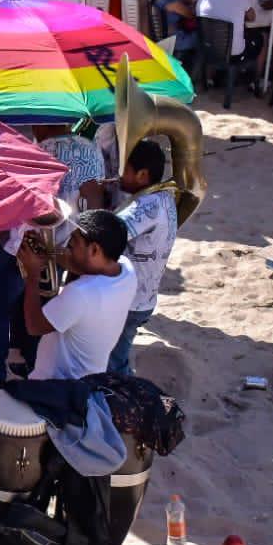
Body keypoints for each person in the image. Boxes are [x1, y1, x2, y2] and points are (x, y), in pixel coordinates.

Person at [18, 210, 137, 380]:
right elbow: (81, 265)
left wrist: (32, 275)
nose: (67, 248)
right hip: (91, 379)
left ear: (94, 249)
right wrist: (49, 251)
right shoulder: (126, 270)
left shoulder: (81, 293)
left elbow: (35, 326)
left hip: (58, 384)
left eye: (72, 245)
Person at [108, 142, 178, 376]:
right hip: (142, 299)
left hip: (130, 301)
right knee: (117, 356)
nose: (120, 175)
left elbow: (108, 235)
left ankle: (125, 405)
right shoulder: (164, 196)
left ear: (142, 175)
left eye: (125, 170)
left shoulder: (147, 206)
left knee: (112, 364)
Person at [196, 0, 260, 61]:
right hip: (235, 54)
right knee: (261, 38)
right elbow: (252, 17)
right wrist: (238, 15)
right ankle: (259, 75)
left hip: (208, 50)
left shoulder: (202, 2)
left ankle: (209, 76)